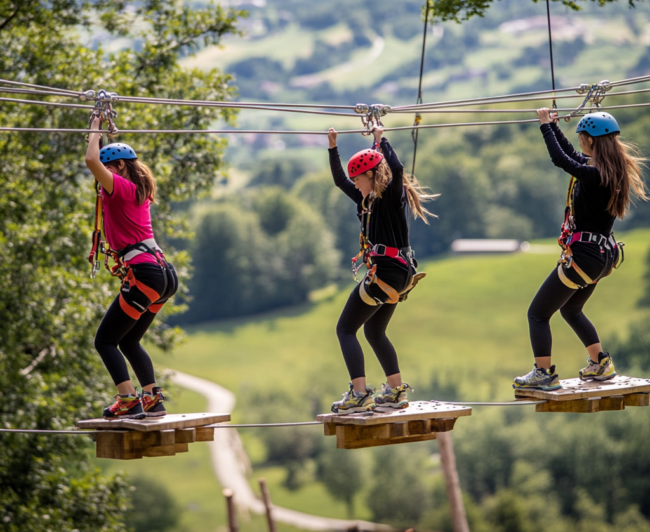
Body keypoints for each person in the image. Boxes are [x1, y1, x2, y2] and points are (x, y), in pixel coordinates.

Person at [514, 110, 647, 391]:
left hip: (585, 256)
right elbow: (571, 155)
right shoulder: (607, 169)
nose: (580, 143)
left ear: (589, 139)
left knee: (537, 314)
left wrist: (544, 127)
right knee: (571, 309)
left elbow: (561, 159)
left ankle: (543, 373)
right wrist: (551, 125)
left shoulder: (595, 174)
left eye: (581, 139)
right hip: (601, 256)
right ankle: (600, 362)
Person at [327, 126, 436, 413]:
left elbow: (397, 168)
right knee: (374, 331)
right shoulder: (368, 202)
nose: (356, 185)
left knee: (345, 328)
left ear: (372, 176)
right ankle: (395, 390)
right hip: (398, 275)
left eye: (359, 179)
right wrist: (332, 147)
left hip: (385, 275)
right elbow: (340, 181)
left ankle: (360, 394)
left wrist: (380, 140)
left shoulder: (389, 198)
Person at [86, 117, 178, 418]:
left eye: (108, 169)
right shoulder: (138, 190)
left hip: (145, 274)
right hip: (163, 275)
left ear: (121, 167)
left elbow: (90, 160)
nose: (103, 176)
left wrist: (95, 127)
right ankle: (152, 398)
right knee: (129, 340)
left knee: (105, 340)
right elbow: (98, 161)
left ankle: (128, 400)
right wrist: (99, 127)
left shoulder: (121, 187)